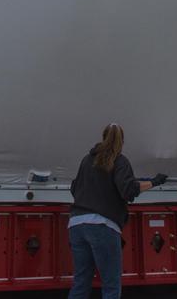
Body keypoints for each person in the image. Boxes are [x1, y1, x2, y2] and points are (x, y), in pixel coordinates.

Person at [67, 124, 166, 299]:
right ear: (122, 141)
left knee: (81, 281)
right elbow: (128, 190)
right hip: (102, 226)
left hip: (76, 225)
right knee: (111, 285)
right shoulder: (119, 161)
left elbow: (75, 188)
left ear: (103, 136)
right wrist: (154, 182)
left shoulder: (86, 160)